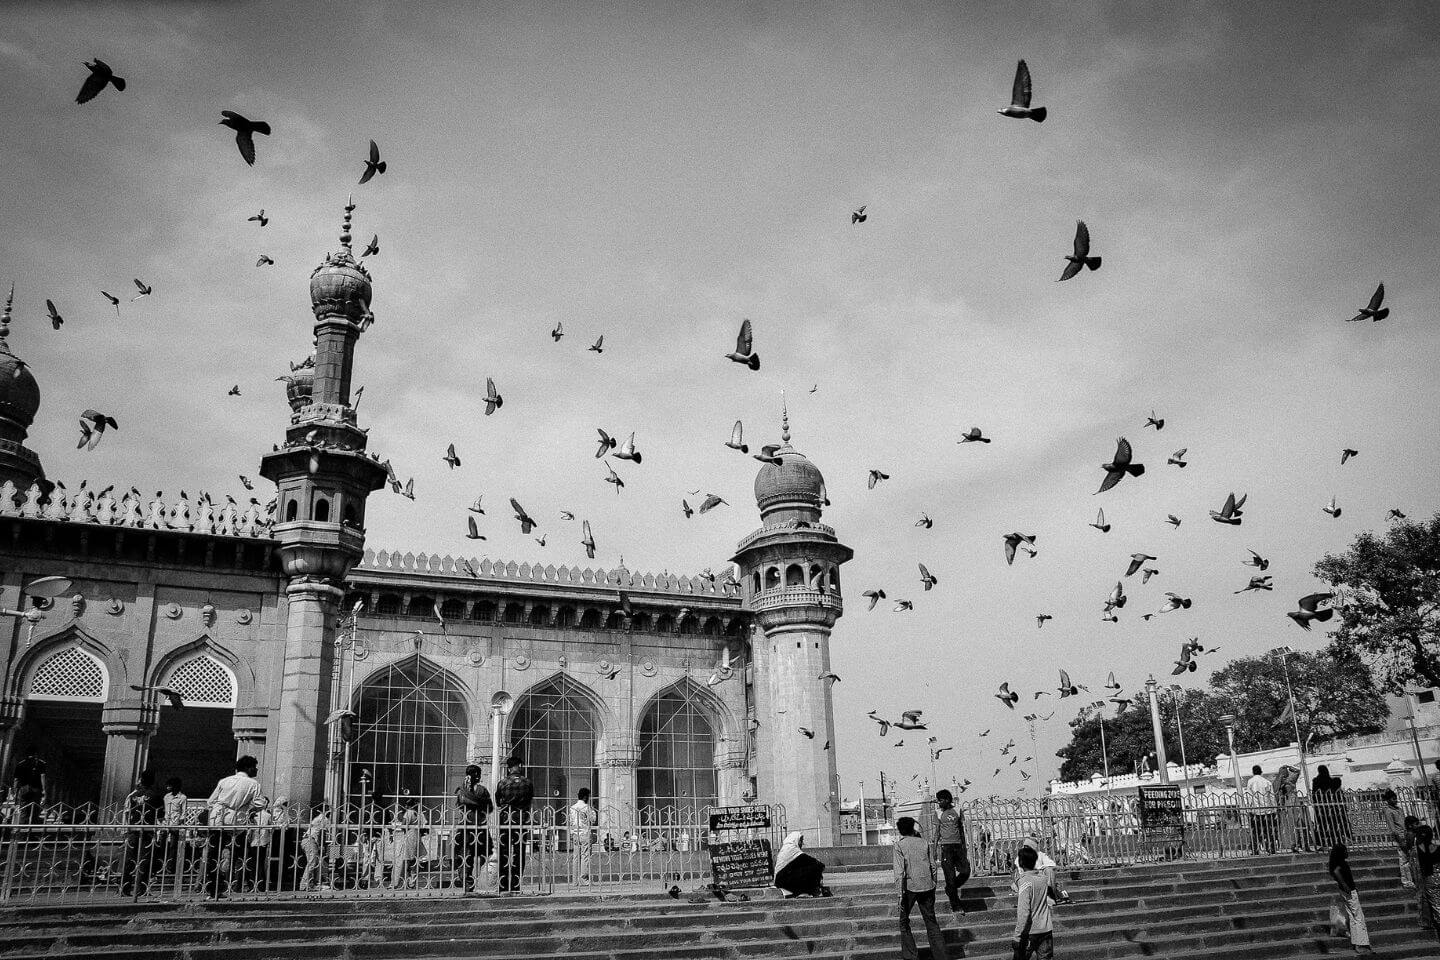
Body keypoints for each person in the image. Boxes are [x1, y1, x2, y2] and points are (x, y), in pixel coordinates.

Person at [204, 755, 261, 899]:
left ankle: (213, 888)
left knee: (214, 855)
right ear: (248, 768)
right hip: (236, 822)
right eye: (254, 767)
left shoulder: (224, 781)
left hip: (217, 820)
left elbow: (210, 801)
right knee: (239, 855)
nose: (256, 770)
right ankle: (235, 884)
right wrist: (250, 809)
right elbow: (260, 803)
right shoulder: (253, 784)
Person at [894, 816, 949, 960]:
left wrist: (899, 894)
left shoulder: (899, 845)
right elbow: (933, 867)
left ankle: (911, 956)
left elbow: (899, 873)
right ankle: (941, 956)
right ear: (912, 828)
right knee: (931, 922)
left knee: (903, 922)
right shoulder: (924, 842)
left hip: (909, 887)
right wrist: (933, 883)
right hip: (927, 886)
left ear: (900, 830)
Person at [120, 770, 163, 897]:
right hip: (147, 831)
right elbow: (160, 816)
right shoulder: (156, 796)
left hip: (133, 830)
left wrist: (125, 830)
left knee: (129, 860)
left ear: (141, 780)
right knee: (144, 860)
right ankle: (141, 889)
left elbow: (126, 813)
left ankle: (124, 888)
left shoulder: (132, 795)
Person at [495, 756, 533, 893]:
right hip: (521, 819)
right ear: (520, 766)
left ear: (509, 768)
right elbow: (529, 799)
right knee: (519, 852)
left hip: (505, 819)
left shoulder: (502, 783)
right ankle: (515, 885)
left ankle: (503, 884)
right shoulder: (527, 782)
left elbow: (498, 801)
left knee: (504, 851)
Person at [1328, 842, 1373, 953]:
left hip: (1346, 891)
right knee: (1358, 917)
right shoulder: (1340, 864)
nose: (1347, 853)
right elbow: (1337, 872)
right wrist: (1345, 885)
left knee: (1353, 917)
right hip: (1349, 892)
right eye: (1345, 851)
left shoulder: (1338, 863)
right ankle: (1361, 944)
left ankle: (1357, 943)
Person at [455, 764, 493, 892]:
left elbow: (459, 805)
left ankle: (467, 880)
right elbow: (490, 808)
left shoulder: (461, 791)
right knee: (484, 852)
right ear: (478, 776)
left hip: (465, 826)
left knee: (465, 854)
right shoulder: (482, 790)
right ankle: (475, 876)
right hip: (479, 826)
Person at [1013, 846, 1055, 959]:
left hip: (1029, 932)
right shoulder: (1043, 879)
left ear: (1021, 863)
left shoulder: (1025, 883)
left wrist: (1017, 936)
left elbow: (1024, 912)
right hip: (1046, 929)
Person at [934, 789, 970, 912]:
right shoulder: (938, 813)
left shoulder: (958, 810)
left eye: (940, 800)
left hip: (958, 846)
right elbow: (937, 832)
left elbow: (961, 829)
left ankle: (950, 889)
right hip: (946, 847)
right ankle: (956, 906)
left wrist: (964, 846)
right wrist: (934, 850)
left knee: (966, 871)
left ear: (947, 800)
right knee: (950, 877)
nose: (939, 803)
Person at [774, 831, 831, 898]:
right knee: (814, 868)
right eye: (800, 841)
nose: (802, 843)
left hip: (780, 879)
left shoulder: (786, 848)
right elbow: (810, 861)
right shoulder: (791, 849)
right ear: (795, 840)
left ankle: (808, 890)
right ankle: (807, 891)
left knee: (808, 868)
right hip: (782, 880)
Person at [1381, 790, 1413, 889]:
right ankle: (1406, 881)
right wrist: (1400, 840)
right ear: (1388, 800)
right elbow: (1393, 828)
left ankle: (1411, 878)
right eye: (1393, 799)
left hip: (1406, 835)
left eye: (1395, 798)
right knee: (1403, 860)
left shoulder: (1399, 809)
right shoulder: (1388, 811)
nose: (1395, 800)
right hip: (1399, 837)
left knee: (1409, 858)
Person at [1312, 766, 1348, 848]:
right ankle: (1335, 840)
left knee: (1323, 824)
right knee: (1332, 824)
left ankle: (1323, 841)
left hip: (1321, 807)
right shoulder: (1330, 780)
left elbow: (1315, 794)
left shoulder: (1316, 780)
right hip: (1330, 807)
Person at [567, 787, 597, 885]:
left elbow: (571, 821)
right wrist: (593, 810)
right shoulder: (586, 807)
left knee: (576, 857)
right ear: (585, 797)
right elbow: (593, 819)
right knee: (585, 856)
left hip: (575, 833)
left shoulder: (572, 808)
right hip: (584, 833)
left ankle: (575, 880)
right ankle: (584, 879)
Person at [300, 801, 332, 891]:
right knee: (312, 862)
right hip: (311, 840)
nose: (329, 811)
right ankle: (304, 885)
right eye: (327, 809)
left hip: (307, 840)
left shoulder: (318, 818)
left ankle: (311, 883)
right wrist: (322, 846)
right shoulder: (323, 818)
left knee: (314, 862)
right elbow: (322, 832)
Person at [1415, 823, 1440, 934]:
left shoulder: (1420, 849)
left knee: (1436, 904)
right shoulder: (1436, 847)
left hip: (1430, 878)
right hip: (1438, 875)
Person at [1247, 765, 1277, 854]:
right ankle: (1271, 848)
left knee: (1255, 832)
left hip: (1256, 811)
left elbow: (1249, 796)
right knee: (1269, 831)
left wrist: (1249, 809)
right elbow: (1272, 796)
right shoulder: (1267, 782)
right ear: (1261, 772)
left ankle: (1255, 850)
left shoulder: (1250, 782)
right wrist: (1274, 808)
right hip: (1267, 810)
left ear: (1253, 772)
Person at [11, 751, 46, 824]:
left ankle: (22, 826)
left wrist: (14, 790)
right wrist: (43, 789)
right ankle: (32, 826)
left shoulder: (20, 764)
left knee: (23, 808)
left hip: (24, 788)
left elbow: (16, 779)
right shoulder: (40, 763)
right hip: (36, 788)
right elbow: (42, 776)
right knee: (35, 808)